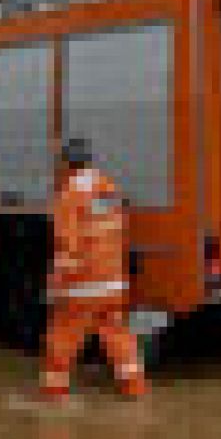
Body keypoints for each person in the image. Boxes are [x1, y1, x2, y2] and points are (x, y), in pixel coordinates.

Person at [40, 138, 149, 401]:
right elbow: (117, 230)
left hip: (81, 283)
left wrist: (56, 285)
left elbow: (67, 243)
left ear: (66, 162)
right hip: (112, 281)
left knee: (63, 334)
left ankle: (55, 394)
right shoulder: (108, 188)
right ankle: (133, 388)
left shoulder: (69, 195)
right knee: (117, 333)